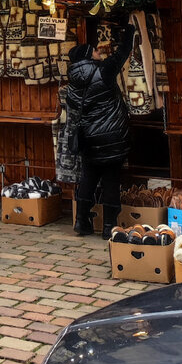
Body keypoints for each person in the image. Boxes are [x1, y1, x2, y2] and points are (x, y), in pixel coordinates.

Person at [67, 16, 136, 239]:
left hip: (89, 137)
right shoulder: (103, 71)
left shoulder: (73, 82)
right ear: (89, 56)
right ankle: (108, 226)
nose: (99, 52)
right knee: (110, 180)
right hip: (110, 136)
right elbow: (122, 54)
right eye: (95, 51)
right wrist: (129, 31)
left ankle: (81, 221)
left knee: (88, 177)